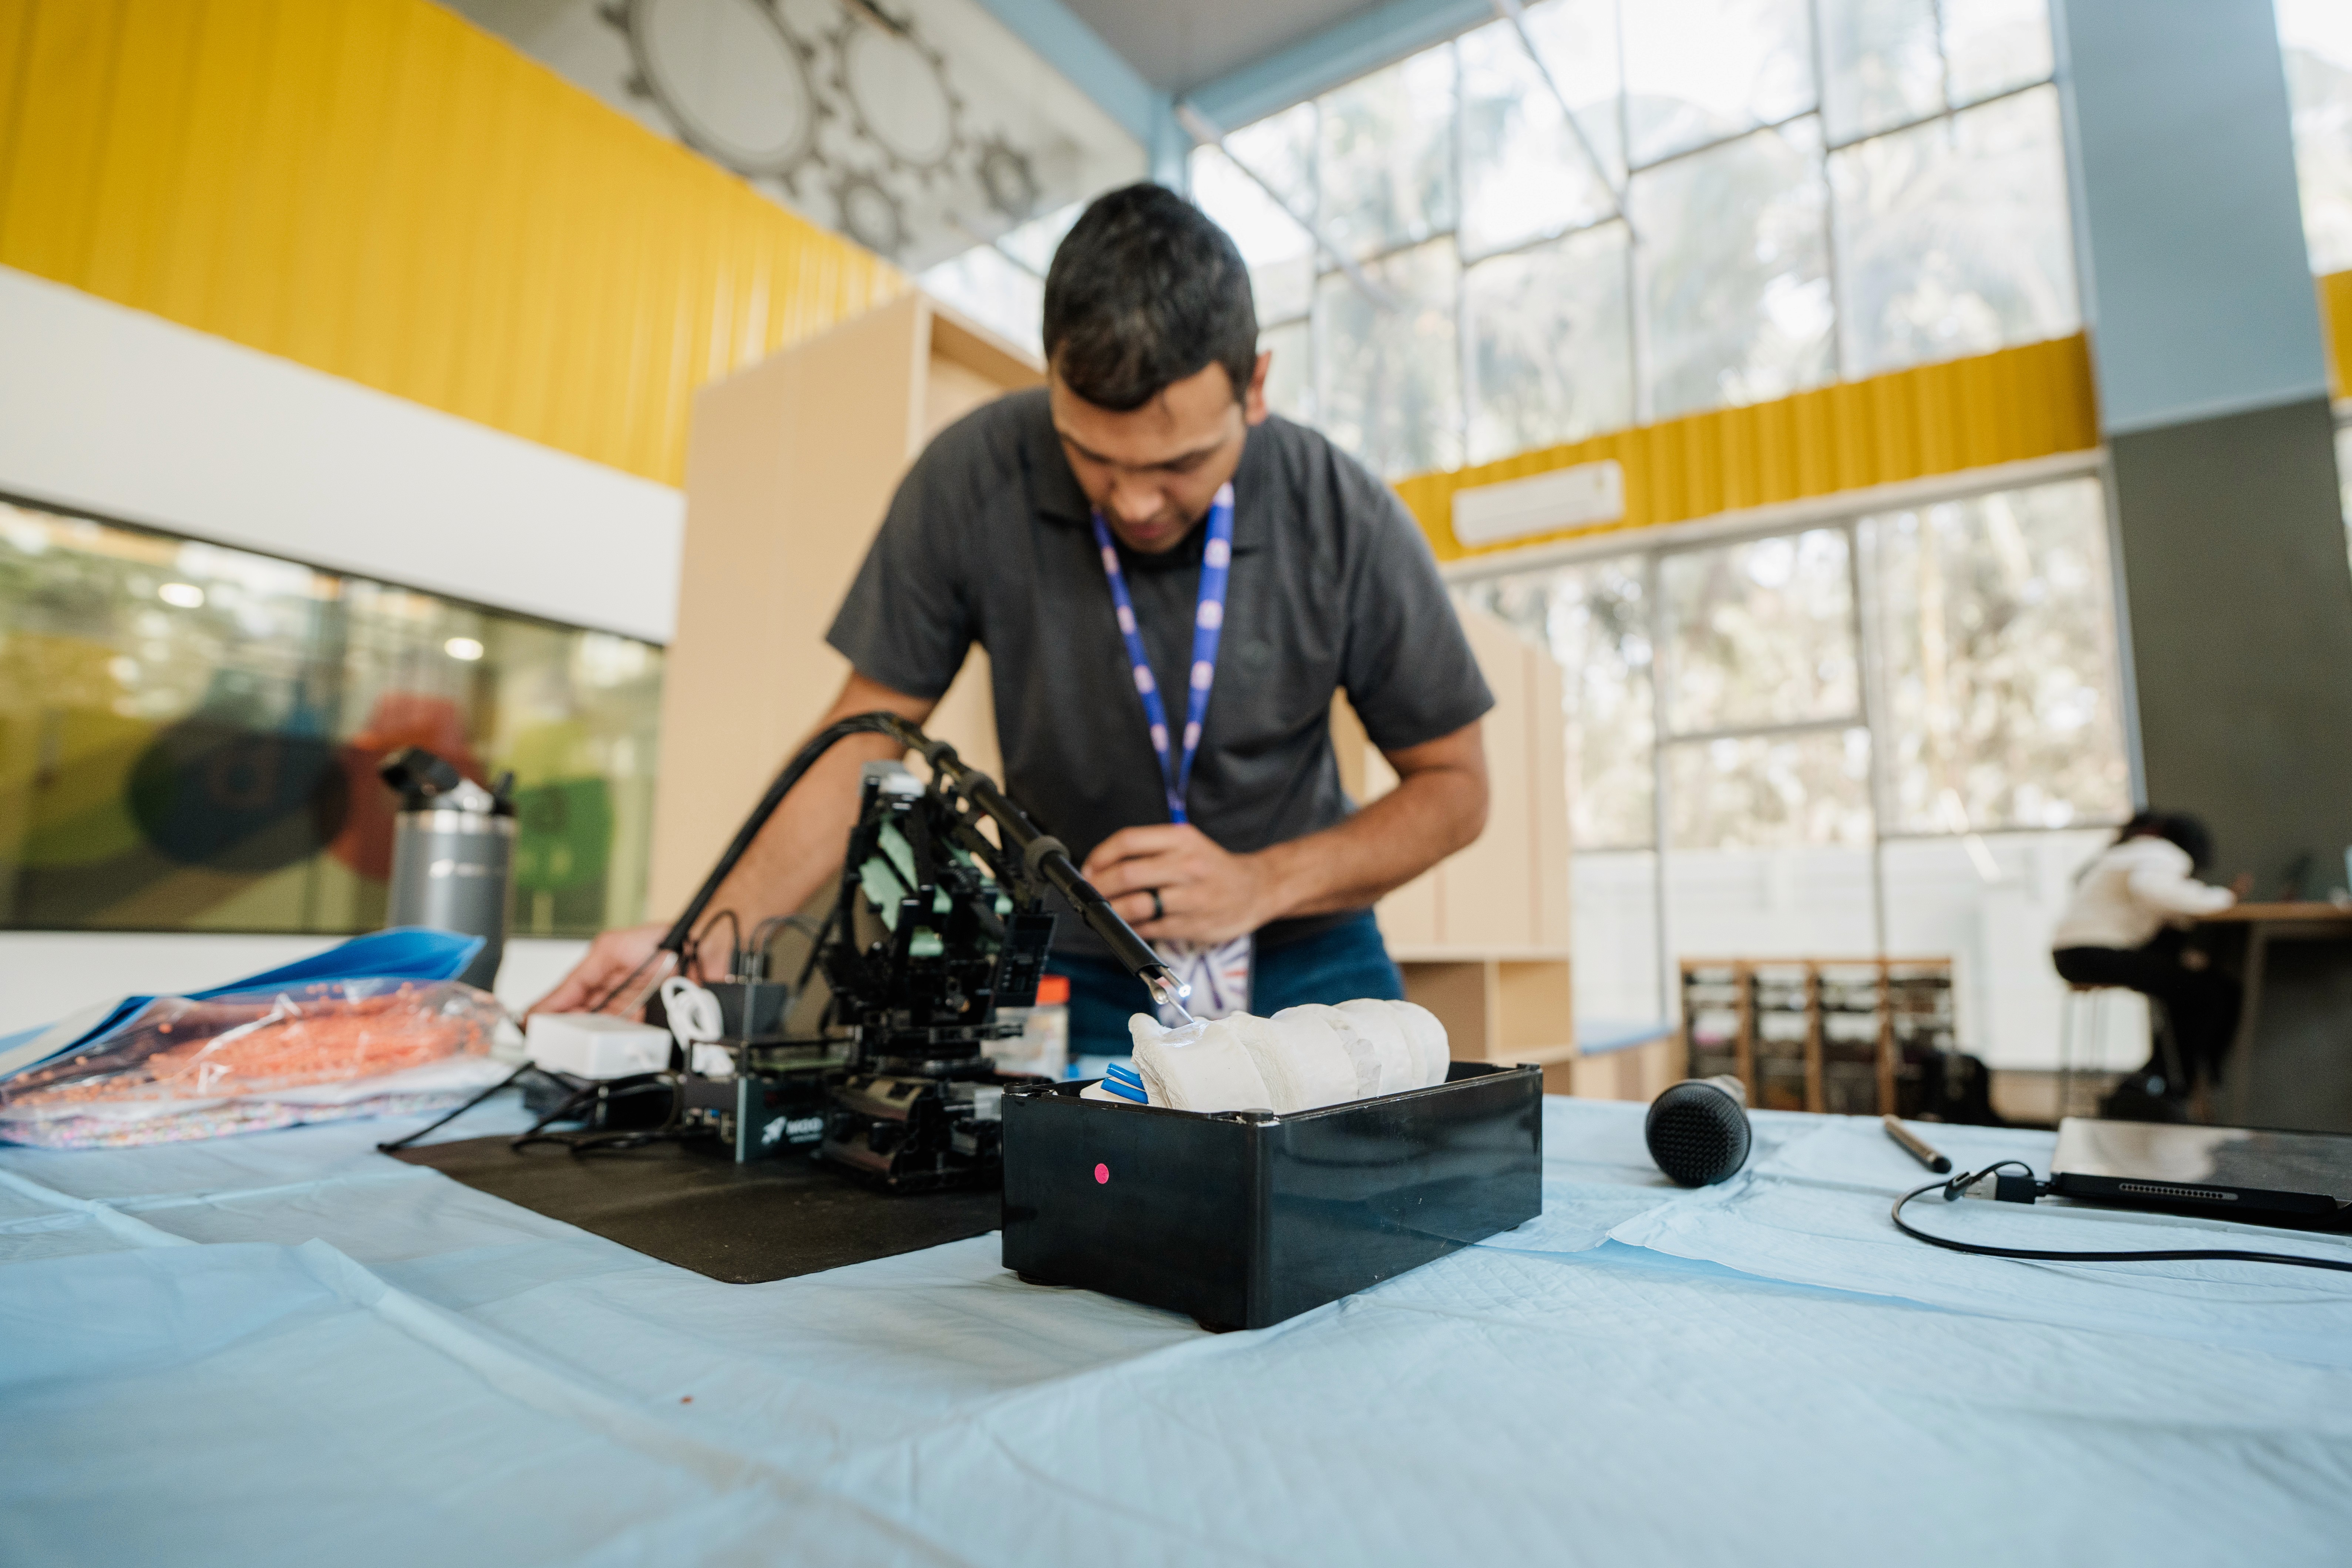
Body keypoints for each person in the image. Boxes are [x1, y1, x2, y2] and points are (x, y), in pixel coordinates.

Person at [535, 184, 1495, 1054]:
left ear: (1254, 386)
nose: (1135, 502)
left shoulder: (1343, 509)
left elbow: (1454, 786)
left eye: (1178, 464)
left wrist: (1261, 881)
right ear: (1050, 384)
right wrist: (692, 943)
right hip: (1074, 952)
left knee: (1376, 1195)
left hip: (1305, 941)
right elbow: (857, 749)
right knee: (1052, 1209)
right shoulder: (971, 477)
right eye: (1093, 455)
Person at [2049, 811, 2245, 1110]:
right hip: (2094, 951)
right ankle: (2175, 1082)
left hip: (2071, 953)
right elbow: (2153, 889)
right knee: (2210, 993)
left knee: (2190, 989)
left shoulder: (2125, 852)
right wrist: (2223, 898)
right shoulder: (2161, 852)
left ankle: (2160, 1078)